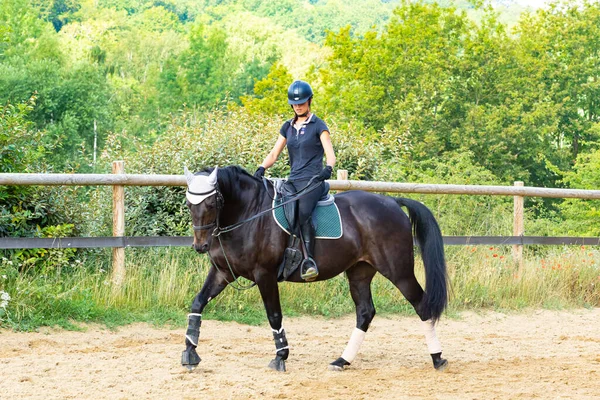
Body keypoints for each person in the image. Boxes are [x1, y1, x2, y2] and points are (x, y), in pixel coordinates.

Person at [254, 80, 336, 281]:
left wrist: (328, 169)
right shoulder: (287, 127)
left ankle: (309, 261)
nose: (298, 106)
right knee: (279, 211)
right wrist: (261, 168)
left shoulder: (319, 125)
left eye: (302, 102)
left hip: (314, 181)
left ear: (309, 101)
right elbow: (274, 153)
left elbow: (330, 154)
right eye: (294, 103)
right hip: (293, 181)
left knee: (301, 212)